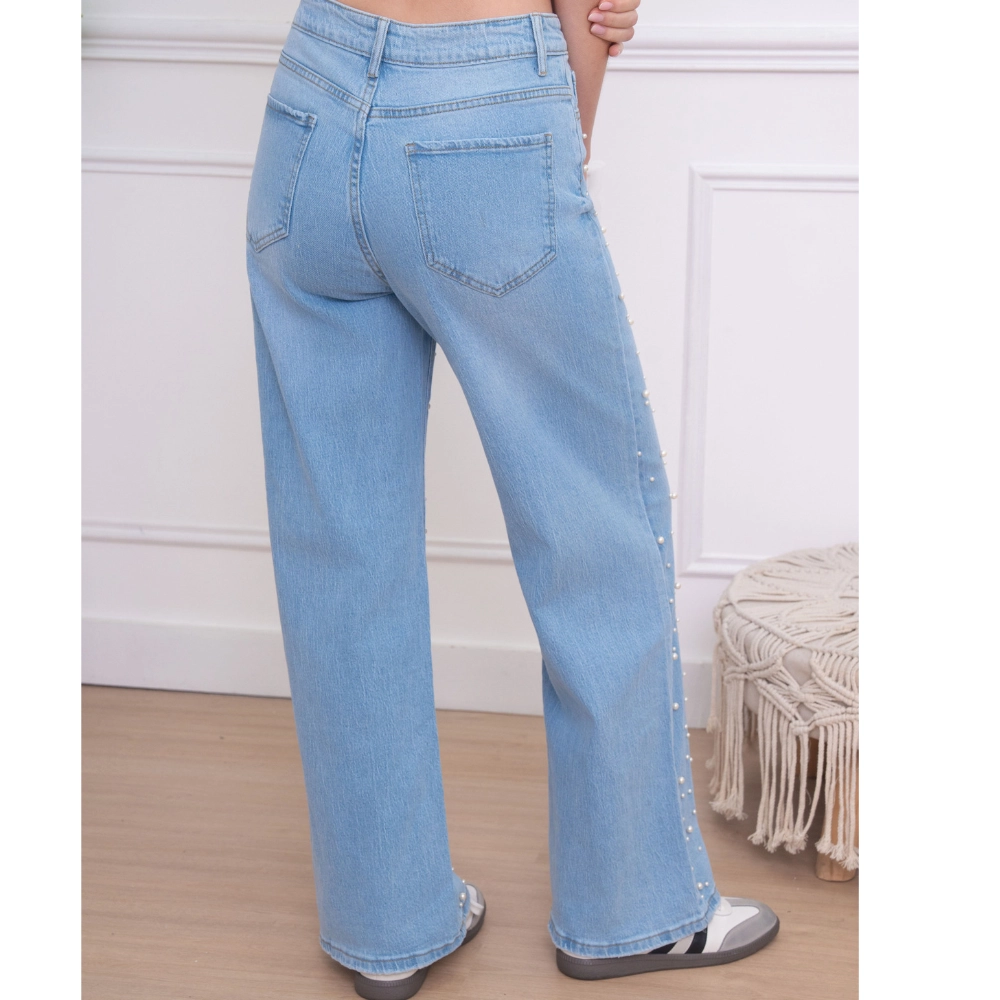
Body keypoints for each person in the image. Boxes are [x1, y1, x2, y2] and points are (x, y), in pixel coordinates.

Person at [245, 1, 779, 996]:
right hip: (484, 107)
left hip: (310, 105)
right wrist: (559, 123)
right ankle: (630, 912)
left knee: (341, 550)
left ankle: (386, 929)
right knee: (594, 535)